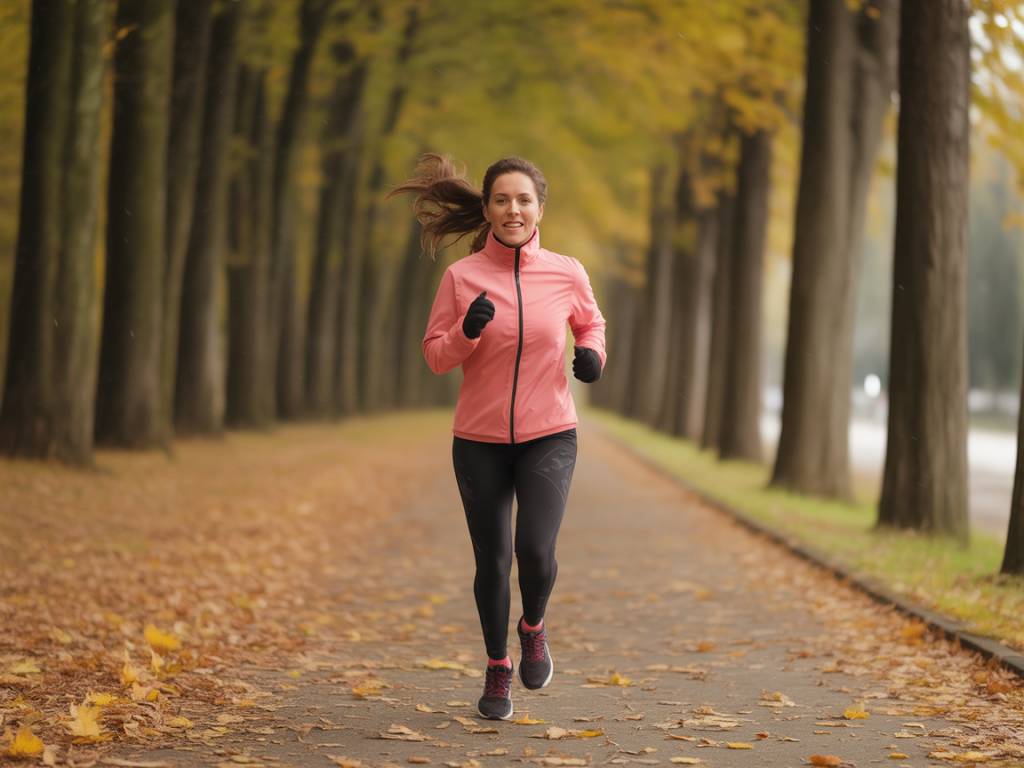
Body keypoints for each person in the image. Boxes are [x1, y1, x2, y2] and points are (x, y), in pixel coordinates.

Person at [389, 154, 607, 720]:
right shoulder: (461, 278)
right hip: (479, 439)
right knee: (492, 563)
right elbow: (435, 356)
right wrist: (466, 331)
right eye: (503, 200)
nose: (514, 210)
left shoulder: (567, 272)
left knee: (534, 550)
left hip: (549, 434)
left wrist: (591, 355)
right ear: (487, 209)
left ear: (540, 209)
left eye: (524, 200)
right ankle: (496, 666)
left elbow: (590, 323)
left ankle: (532, 627)